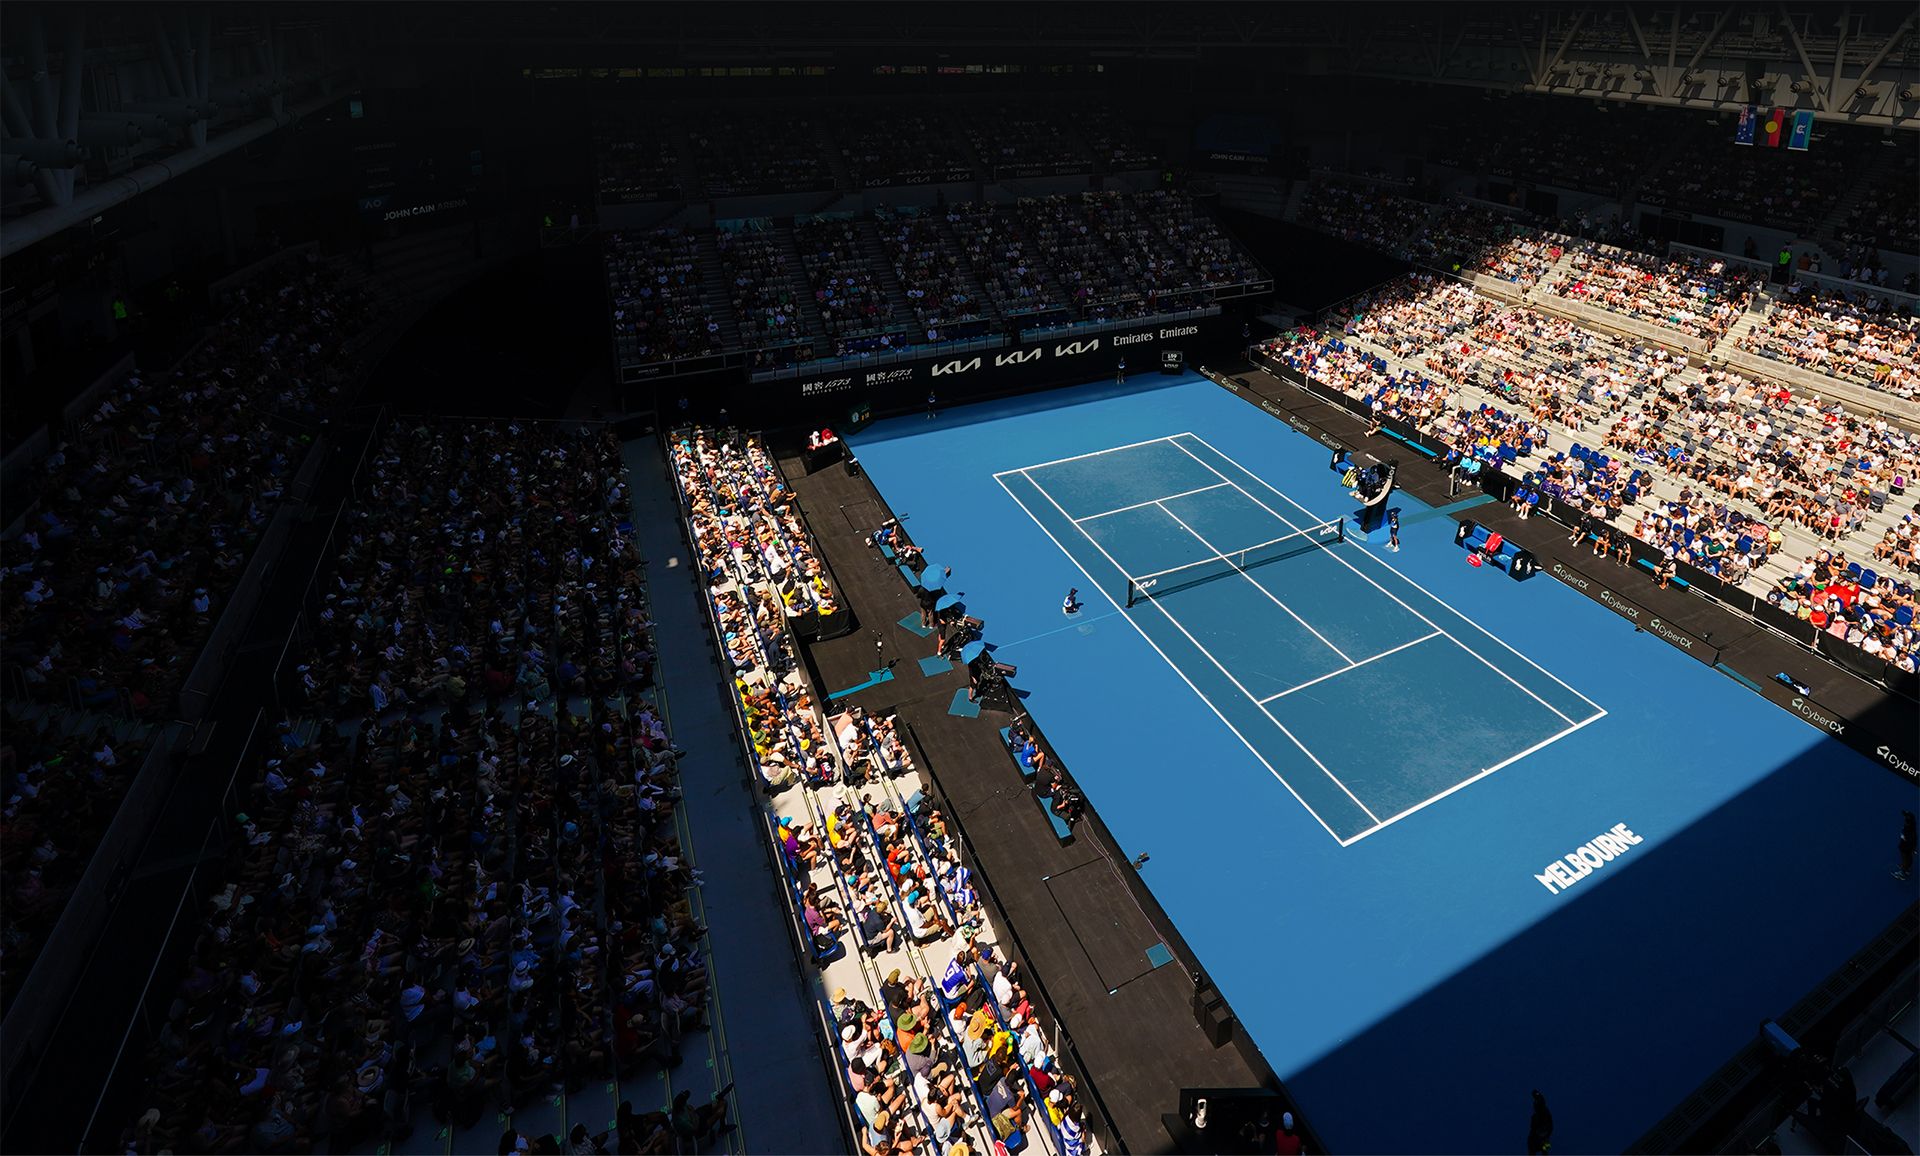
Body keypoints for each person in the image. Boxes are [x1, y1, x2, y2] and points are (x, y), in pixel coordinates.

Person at [1526, 1090, 1553, 1155]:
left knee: (1544, 1148)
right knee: (1532, 1145)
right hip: (1539, 1134)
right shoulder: (1535, 1116)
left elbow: (1549, 1126)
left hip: (1543, 1134)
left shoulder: (1543, 1112)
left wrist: (1537, 1095)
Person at [1896, 810, 1916, 881]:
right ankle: (1907, 870)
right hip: (1907, 847)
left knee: (1905, 859)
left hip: (1905, 848)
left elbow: (1909, 840)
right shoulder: (1912, 826)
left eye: (1906, 820)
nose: (1905, 821)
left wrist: (1910, 848)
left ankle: (1902, 873)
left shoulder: (1909, 831)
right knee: (1908, 859)